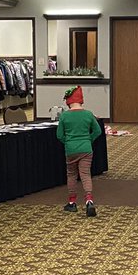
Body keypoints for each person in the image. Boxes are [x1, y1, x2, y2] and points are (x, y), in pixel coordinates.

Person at [56, 85, 103, 216]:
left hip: (71, 149)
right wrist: (89, 139)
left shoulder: (64, 116)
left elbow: (59, 135)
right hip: (86, 148)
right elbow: (98, 131)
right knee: (85, 175)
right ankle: (89, 201)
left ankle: (72, 203)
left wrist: (68, 142)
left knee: (71, 175)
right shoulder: (88, 114)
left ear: (68, 101)